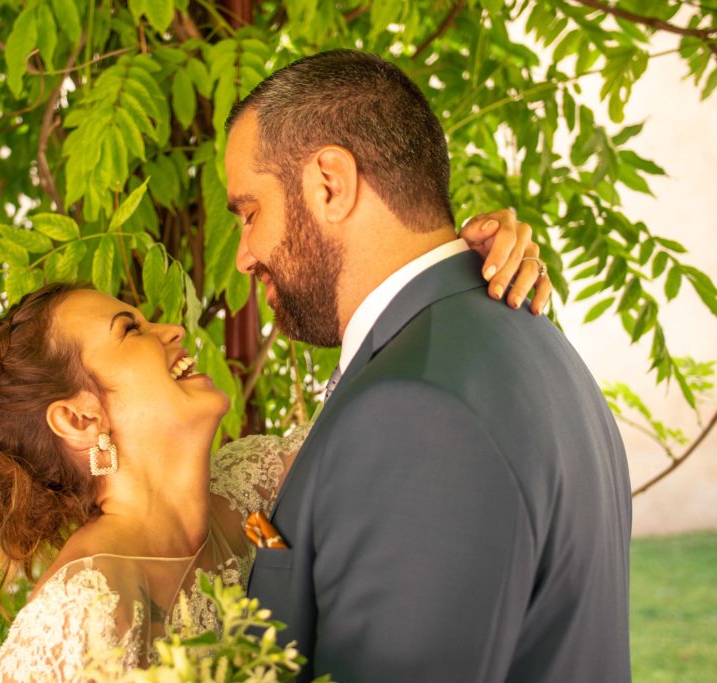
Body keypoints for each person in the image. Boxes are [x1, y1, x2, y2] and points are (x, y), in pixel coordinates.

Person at [0, 224, 548, 681]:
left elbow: (389, 422)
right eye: (130, 330)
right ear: (79, 419)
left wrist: (464, 271)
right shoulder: (80, 615)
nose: (171, 330)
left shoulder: (253, 492)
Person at [224, 50, 631, 682]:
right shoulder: (522, 338)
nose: (244, 256)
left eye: (250, 214)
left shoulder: (415, 411)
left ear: (330, 183)